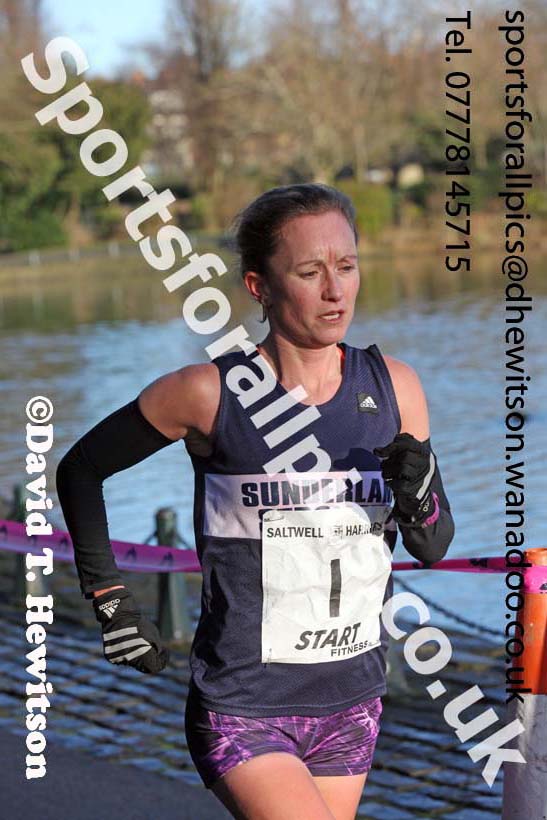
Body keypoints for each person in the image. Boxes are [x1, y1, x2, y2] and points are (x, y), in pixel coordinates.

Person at [56, 183, 454, 820]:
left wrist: (420, 489)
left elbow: (432, 545)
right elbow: (80, 471)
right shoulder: (206, 392)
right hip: (243, 705)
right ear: (258, 286)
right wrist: (109, 600)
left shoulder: (395, 386)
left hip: (352, 701)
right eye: (309, 271)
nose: (335, 290)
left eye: (347, 266)